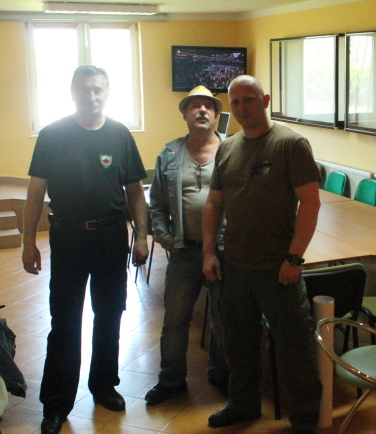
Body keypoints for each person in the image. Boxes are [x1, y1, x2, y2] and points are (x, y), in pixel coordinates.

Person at [21, 65, 149, 434]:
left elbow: (135, 192)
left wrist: (141, 236)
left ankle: (104, 385)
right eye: (84, 90)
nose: (91, 96)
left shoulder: (120, 134)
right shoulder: (52, 134)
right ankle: (56, 404)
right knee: (64, 321)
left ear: (106, 92)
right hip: (68, 239)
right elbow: (35, 193)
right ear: (72, 92)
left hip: (110, 238)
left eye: (97, 89)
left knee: (109, 314)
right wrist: (28, 242)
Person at [202, 75, 322, 434]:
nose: (242, 108)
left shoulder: (290, 144)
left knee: (295, 348)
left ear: (265, 100)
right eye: (236, 102)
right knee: (239, 345)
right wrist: (209, 252)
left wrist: (294, 258)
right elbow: (214, 203)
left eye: (249, 99)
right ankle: (243, 404)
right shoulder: (227, 148)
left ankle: (305, 419)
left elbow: (310, 203)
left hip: (278, 268)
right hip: (235, 265)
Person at [144, 85, 229, 405]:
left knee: (223, 318)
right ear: (184, 114)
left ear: (217, 115)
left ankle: (221, 375)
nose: (202, 110)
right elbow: (155, 204)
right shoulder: (168, 154)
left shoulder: (233, 150)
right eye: (195, 106)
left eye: (208, 106)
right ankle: (171, 380)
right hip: (185, 250)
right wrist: (166, 239)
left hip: (224, 251)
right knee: (175, 320)